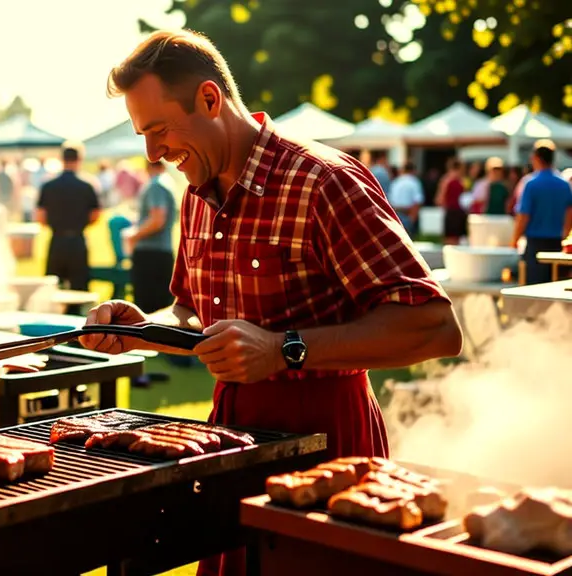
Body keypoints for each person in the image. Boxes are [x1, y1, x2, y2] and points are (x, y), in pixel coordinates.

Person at [80, 30, 463, 576]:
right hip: (230, 441)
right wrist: (146, 329)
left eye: (158, 130)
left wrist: (285, 349)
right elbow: (193, 315)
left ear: (210, 100)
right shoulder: (197, 192)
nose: (152, 153)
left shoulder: (323, 180)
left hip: (329, 442)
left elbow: (434, 326)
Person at [36, 142, 100, 304]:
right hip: (77, 241)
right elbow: (95, 215)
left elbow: (41, 217)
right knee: (79, 290)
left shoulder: (48, 185)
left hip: (57, 241)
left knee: (53, 288)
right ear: (80, 159)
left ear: (61, 159)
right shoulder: (87, 186)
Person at [511, 144, 572, 285]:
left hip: (535, 245)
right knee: (555, 287)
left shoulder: (530, 183)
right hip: (557, 244)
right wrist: (565, 234)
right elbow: (570, 212)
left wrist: (515, 240)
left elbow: (523, 216)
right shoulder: (563, 184)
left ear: (536, 158)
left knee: (533, 289)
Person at [128, 160, 177, 314]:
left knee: (146, 311)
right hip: (161, 252)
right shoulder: (167, 183)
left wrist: (133, 235)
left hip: (150, 255)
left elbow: (157, 219)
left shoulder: (156, 185)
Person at [386, 161, 424, 237]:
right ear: (413, 170)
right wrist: (412, 219)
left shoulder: (396, 181)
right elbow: (417, 202)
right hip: (407, 215)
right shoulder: (414, 182)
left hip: (395, 214)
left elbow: (389, 199)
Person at [436, 158, 466, 244]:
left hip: (451, 211)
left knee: (449, 240)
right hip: (457, 212)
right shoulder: (460, 181)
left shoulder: (446, 180)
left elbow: (439, 199)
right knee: (456, 240)